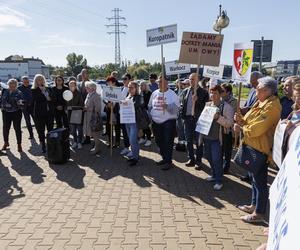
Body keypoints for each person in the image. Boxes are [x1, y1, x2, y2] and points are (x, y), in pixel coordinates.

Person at [235, 76, 281, 223]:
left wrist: (242, 127)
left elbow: (257, 129)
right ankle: (253, 205)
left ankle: (259, 213)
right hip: (252, 146)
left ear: (268, 91)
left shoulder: (272, 106)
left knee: (260, 183)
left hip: (260, 149)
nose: (255, 91)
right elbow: (249, 121)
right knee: (255, 180)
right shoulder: (261, 102)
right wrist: (240, 118)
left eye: (258, 88)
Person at [201, 85, 234, 190]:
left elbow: (229, 123)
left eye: (215, 93)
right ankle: (214, 175)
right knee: (208, 157)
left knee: (216, 159)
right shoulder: (207, 105)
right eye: (211, 92)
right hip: (207, 137)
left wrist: (218, 117)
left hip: (217, 139)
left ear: (220, 94)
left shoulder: (226, 107)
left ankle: (219, 181)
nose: (212, 95)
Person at [148, 75, 180, 170]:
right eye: (159, 81)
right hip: (156, 122)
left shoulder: (172, 94)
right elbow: (150, 106)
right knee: (158, 141)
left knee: (168, 142)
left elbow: (177, 110)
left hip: (168, 122)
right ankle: (164, 157)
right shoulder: (154, 93)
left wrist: (168, 107)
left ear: (166, 83)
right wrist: (151, 115)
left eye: (161, 81)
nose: (159, 83)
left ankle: (168, 161)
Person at [180, 73, 209, 169]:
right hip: (187, 119)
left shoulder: (203, 92)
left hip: (198, 120)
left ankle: (199, 160)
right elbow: (182, 105)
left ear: (198, 80)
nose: (191, 81)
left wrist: (197, 101)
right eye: (190, 79)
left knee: (198, 141)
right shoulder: (185, 91)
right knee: (188, 140)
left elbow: (206, 108)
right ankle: (191, 158)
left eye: (193, 79)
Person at [239, 71, 263, 182]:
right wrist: (243, 109)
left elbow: (255, 108)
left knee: (253, 153)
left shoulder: (263, 93)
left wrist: (246, 109)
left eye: (254, 82)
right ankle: (248, 174)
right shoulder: (252, 90)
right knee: (247, 151)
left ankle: (252, 174)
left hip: (254, 127)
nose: (253, 85)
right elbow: (248, 104)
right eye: (251, 83)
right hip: (246, 123)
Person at [122, 81, 145, 166]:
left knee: (133, 140)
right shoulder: (128, 96)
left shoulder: (139, 97)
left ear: (136, 88)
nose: (130, 89)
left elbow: (139, 105)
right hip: (127, 121)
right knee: (132, 140)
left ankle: (135, 158)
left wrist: (126, 103)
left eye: (132, 87)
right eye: (129, 87)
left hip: (135, 122)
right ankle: (135, 155)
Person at [32, 74, 56, 153]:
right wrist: (43, 93)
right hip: (39, 114)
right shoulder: (34, 90)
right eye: (38, 79)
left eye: (42, 79)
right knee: (40, 130)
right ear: (36, 81)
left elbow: (52, 98)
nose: (40, 81)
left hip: (49, 113)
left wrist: (45, 93)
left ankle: (50, 144)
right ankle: (43, 145)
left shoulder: (49, 88)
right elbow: (37, 99)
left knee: (50, 129)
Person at [0, 78, 24, 152]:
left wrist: (19, 103)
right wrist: (2, 106)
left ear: (16, 85)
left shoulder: (19, 92)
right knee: (5, 129)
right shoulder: (4, 91)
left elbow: (21, 103)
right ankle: (6, 143)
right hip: (6, 113)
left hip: (16, 112)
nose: (12, 87)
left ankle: (19, 144)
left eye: (13, 86)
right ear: (8, 85)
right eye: (10, 85)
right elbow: (1, 100)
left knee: (17, 129)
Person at [221, 83, 237, 174]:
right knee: (221, 148)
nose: (220, 92)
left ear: (228, 92)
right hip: (220, 128)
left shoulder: (234, 101)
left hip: (228, 129)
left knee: (227, 149)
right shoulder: (220, 99)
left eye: (222, 91)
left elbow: (232, 114)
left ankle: (226, 166)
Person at [82, 82, 102, 155]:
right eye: (86, 87)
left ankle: (97, 148)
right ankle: (96, 147)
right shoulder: (88, 95)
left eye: (87, 87)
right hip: (88, 116)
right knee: (92, 133)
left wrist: (88, 109)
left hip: (94, 118)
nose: (86, 88)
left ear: (92, 88)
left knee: (95, 134)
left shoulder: (96, 96)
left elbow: (98, 108)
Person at [104, 76, 121, 148]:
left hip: (116, 110)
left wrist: (114, 104)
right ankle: (110, 141)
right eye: (107, 82)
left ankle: (117, 142)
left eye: (109, 82)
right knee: (108, 126)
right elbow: (103, 97)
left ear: (113, 83)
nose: (108, 84)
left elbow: (120, 99)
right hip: (108, 109)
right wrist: (107, 103)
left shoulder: (118, 90)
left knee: (117, 126)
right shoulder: (106, 89)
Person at [67, 80, 84, 150]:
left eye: (73, 85)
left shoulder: (79, 93)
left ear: (75, 86)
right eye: (70, 86)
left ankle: (79, 142)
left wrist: (72, 107)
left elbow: (81, 104)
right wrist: (66, 107)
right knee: (73, 129)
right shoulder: (67, 93)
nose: (71, 87)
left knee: (79, 129)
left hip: (77, 113)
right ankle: (75, 141)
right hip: (70, 113)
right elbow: (65, 104)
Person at [175, 79, 189, 151]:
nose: (183, 85)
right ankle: (181, 144)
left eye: (185, 84)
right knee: (179, 129)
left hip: (186, 115)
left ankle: (184, 145)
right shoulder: (181, 91)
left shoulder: (189, 92)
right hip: (179, 113)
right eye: (182, 84)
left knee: (184, 130)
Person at [119, 73, 131, 156]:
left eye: (125, 79)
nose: (124, 80)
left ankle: (133, 149)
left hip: (130, 115)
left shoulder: (132, 88)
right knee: (125, 132)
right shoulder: (121, 88)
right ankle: (127, 147)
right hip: (122, 114)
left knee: (131, 133)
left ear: (130, 80)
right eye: (123, 79)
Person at [139, 80, 152, 147]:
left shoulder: (149, 93)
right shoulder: (140, 93)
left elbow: (150, 104)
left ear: (146, 86)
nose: (140, 86)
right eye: (140, 85)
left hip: (147, 112)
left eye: (142, 85)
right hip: (141, 112)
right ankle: (143, 138)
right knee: (142, 126)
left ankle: (149, 139)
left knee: (147, 126)